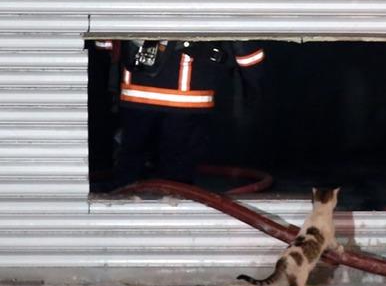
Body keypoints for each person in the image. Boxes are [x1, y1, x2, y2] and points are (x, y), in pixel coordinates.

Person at [95, 40, 265, 191]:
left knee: (129, 172)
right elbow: (246, 50)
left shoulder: (127, 4)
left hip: (135, 95)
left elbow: (105, 44)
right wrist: (255, 89)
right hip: (187, 99)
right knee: (176, 181)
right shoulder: (214, 4)